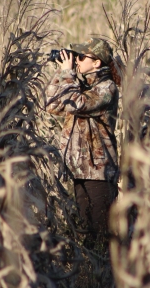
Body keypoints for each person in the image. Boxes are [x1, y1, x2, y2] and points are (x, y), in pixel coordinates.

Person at [45, 38, 120, 240]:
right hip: (79, 169)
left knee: (103, 234)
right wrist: (61, 73)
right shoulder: (78, 85)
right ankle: (90, 270)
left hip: (100, 171)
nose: (76, 61)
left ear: (97, 62)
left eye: (80, 57)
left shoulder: (107, 88)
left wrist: (68, 74)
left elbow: (76, 104)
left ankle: (108, 271)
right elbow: (52, 104)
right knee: (86, 233)